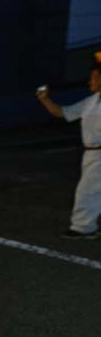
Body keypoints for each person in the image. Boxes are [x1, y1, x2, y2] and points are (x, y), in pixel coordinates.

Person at [37, 60, 101, 239]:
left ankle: (83, 227)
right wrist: (45, 100)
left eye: (95, 78)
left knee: (87, 190)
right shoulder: (91, 101)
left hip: (99, 153)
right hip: (92, 152)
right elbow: (63, 112)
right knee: (94, 190)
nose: (90, 82)